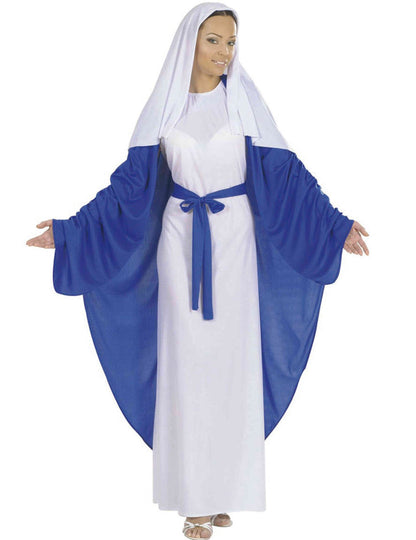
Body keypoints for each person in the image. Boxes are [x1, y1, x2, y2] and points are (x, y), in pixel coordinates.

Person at [26, 3, 370, 539]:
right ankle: (195, 497)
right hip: (180, 240)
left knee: (233, 363)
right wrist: (73, 230)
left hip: (235, 243)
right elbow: (128, 186)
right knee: (188, 363)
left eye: (231, 42)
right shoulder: (164, 109)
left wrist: (333, 223)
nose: (224, 52)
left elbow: (288, 176)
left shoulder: (245, 105)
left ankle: (224, 488)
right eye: (213, 40)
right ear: (189, 41)